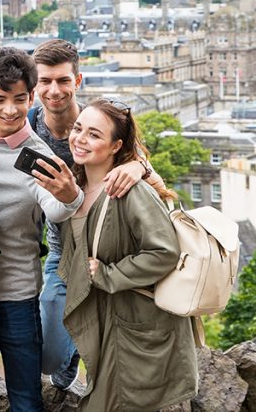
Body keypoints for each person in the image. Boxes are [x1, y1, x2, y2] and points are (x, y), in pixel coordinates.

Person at [0, 39, 161, 394]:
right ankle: (66, 366)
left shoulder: (96, 122)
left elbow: (146, 168)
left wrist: (137, 167)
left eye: (63, 81)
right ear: (33, 87)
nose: (54, 91)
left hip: (103, 249)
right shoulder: (23, 122)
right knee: (48, 357)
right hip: (60, 251)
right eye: (45, 82)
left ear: (78, 81)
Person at [0, 46, 84, 412]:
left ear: (30, 98)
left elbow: (55, 207)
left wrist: (70, 197)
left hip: (17, 294)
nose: (10, 110)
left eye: (20, 99)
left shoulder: (36, 155)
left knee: (26, 400)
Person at [60, 99, 198, 411]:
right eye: (78, 128)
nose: (80, 139)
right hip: (108, 321)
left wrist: (108, 274)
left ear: (115, 146)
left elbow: (164, 252)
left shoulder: (131, 190)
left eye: (94, 135)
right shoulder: (76, 185)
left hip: (134, 325)